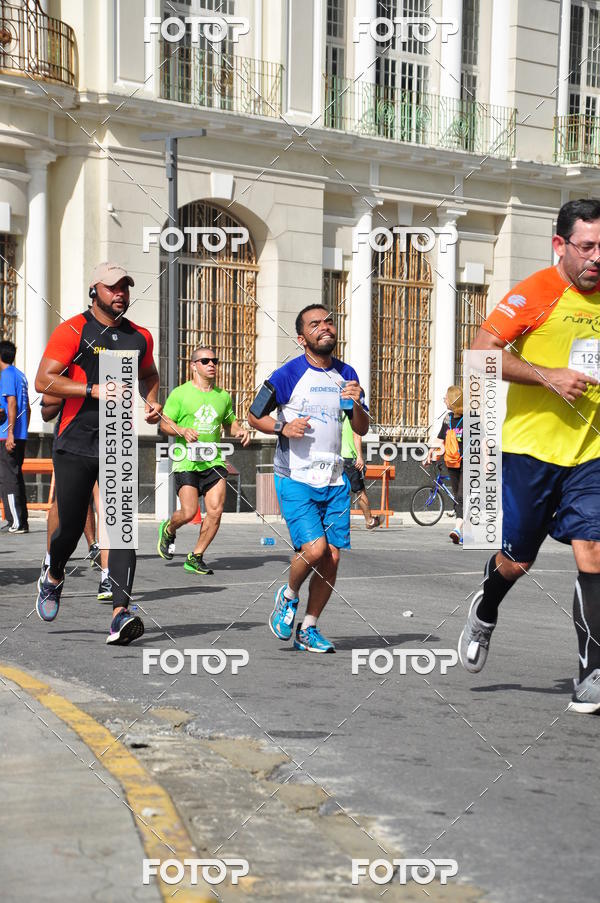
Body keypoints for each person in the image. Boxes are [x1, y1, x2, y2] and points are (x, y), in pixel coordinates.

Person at [457, 198, 600, 713]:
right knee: (518, 560)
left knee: (594, 553)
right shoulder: (537, 292)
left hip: (593, 451)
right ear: (560, 245)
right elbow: (481, 354)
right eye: (587, 246)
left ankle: (591, 674)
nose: (597, 257)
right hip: (532, 450)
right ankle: (486, 607)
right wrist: (549, 375)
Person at [34, 262, 162, 645]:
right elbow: (45, 380)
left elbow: (149, 375)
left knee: (121, 529)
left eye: (125, 286)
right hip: (74, 441)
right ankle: (53, 574)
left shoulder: (139, 336)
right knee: (70, 529)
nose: (119, 292)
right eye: (112, 287)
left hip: (118, 439)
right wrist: (93, 390)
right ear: (95, 291)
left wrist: (152, 401)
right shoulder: (74, 329)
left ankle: (120, 615)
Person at [248, 304, 368, 653]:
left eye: (329, 321)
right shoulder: (287, 375)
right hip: (296, 477)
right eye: (315, 324)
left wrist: (356, 403)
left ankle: (309, 627)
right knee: (314, 550)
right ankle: (287, 596)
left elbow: (360, 427)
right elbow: (255, 416)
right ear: (302, 338)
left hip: (334, 479)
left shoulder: (347, 373)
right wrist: (284, 426)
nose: (325, 327)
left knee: (332, 556)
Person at [157, 346, 250, 574]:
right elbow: (164, 423)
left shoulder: (223, 396)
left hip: (214, 461)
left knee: (216, 510)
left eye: (214, 361)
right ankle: (169, 529)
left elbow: (230, 421)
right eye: (205, 360)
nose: (212, 365)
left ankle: (195, 556)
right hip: (186, 461)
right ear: (193, 366)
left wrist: (239, 429)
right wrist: (182, 430)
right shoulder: (180, 393)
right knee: (188, 513)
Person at [40, 395, 110, 600]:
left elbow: (148, 374)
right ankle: (51, 561)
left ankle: (108, 575)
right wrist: (84, 391)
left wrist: (151, 399)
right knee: (66, 503)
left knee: (107, 501)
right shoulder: (73, 363)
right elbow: (46, 409)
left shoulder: (123, 362)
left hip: (112, 433)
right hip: (74, 436)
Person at [426, 386, 463, 544]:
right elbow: (441, 439)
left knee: (461, 497)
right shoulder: (447, 419)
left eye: (446, 398)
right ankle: (463, 531)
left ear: (453, 400)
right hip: (451, 461)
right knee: (457, 497)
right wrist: (430, 453)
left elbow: (481, 440)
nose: (444, 400)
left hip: (469, 463)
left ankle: (457, 529)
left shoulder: (471, 418)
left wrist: (487, 461)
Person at [0, 340, 30, 533]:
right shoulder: (21, 375)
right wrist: (21, 431)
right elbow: (27, 408)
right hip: (19, 435)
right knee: (15, 476)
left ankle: (16, 522)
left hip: (7, 436)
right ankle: (19, 521)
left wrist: (10, 432)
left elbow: (12, 404)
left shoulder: (6, 375)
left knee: (8, 477)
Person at [341, 415, 380, 529]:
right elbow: (356, 435)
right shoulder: (352, 413)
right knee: (359, 491)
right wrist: (359, 457)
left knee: (337, 491)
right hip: (349, 458)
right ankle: (369, 520)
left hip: (336, 457)